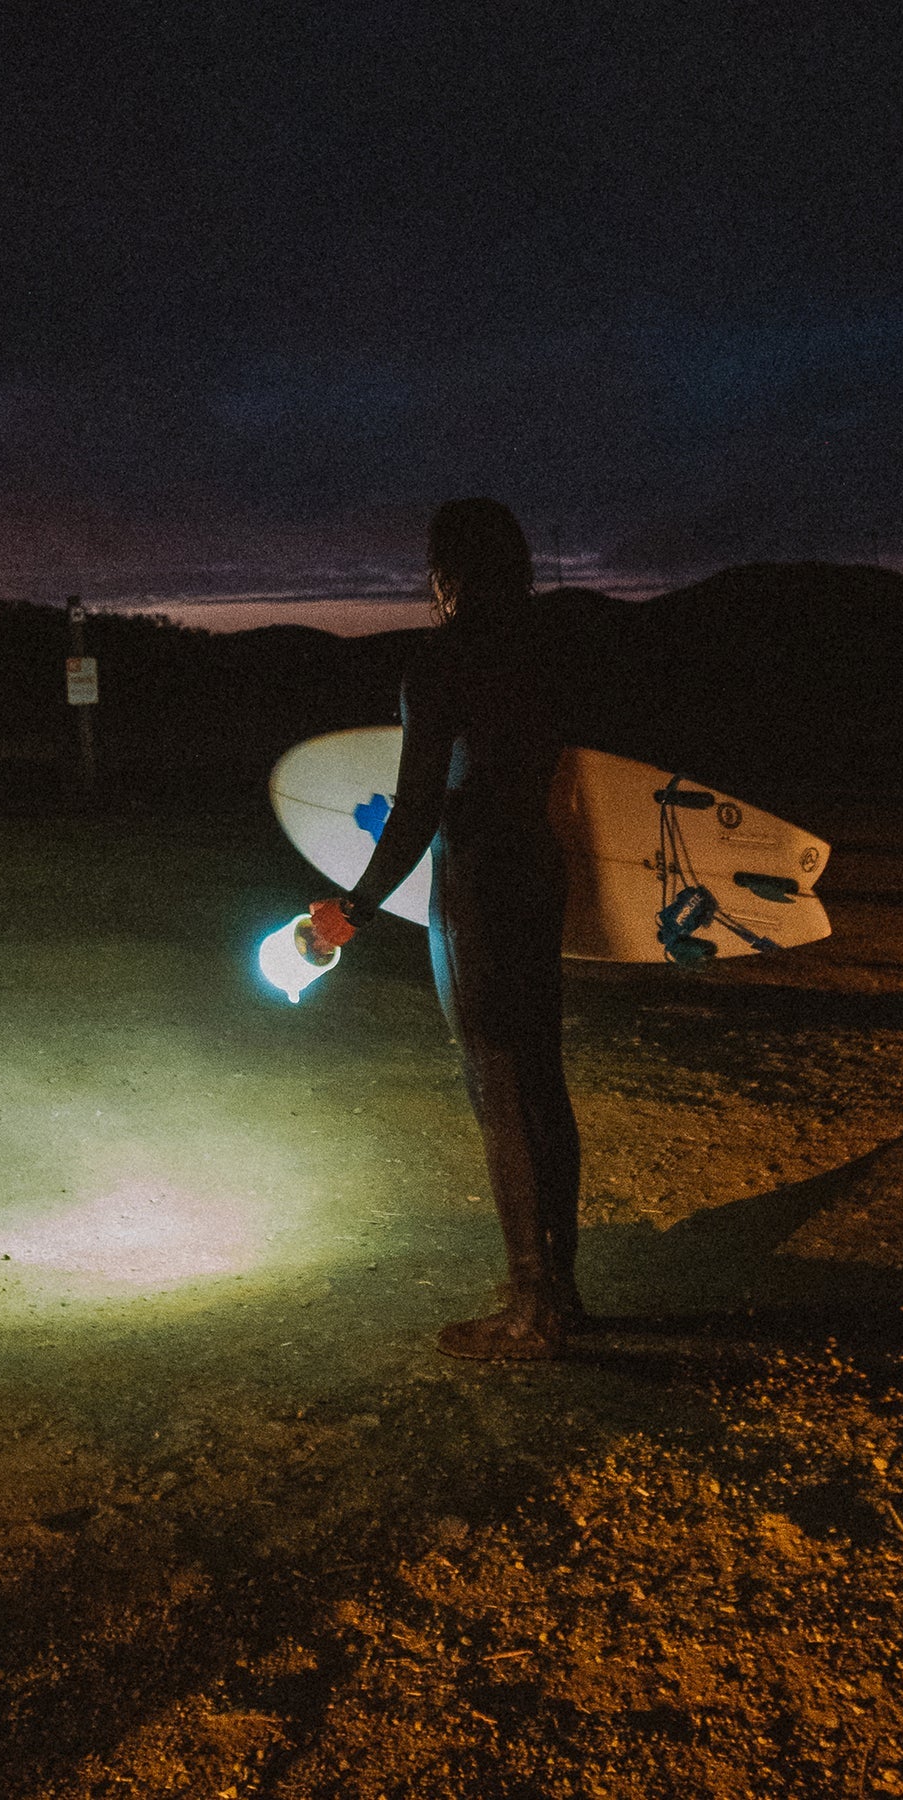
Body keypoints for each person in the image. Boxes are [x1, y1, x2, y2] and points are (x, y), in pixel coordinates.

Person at [310, 498, 584, 1360]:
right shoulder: (550, 650)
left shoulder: (440, 661)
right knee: (541, 1079)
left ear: (445, 572)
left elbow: (418, 808)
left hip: (476, 886)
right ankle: (559, 1288)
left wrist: (352, 909)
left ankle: (530, 1311)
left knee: (496, 1085)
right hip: (538, 870)